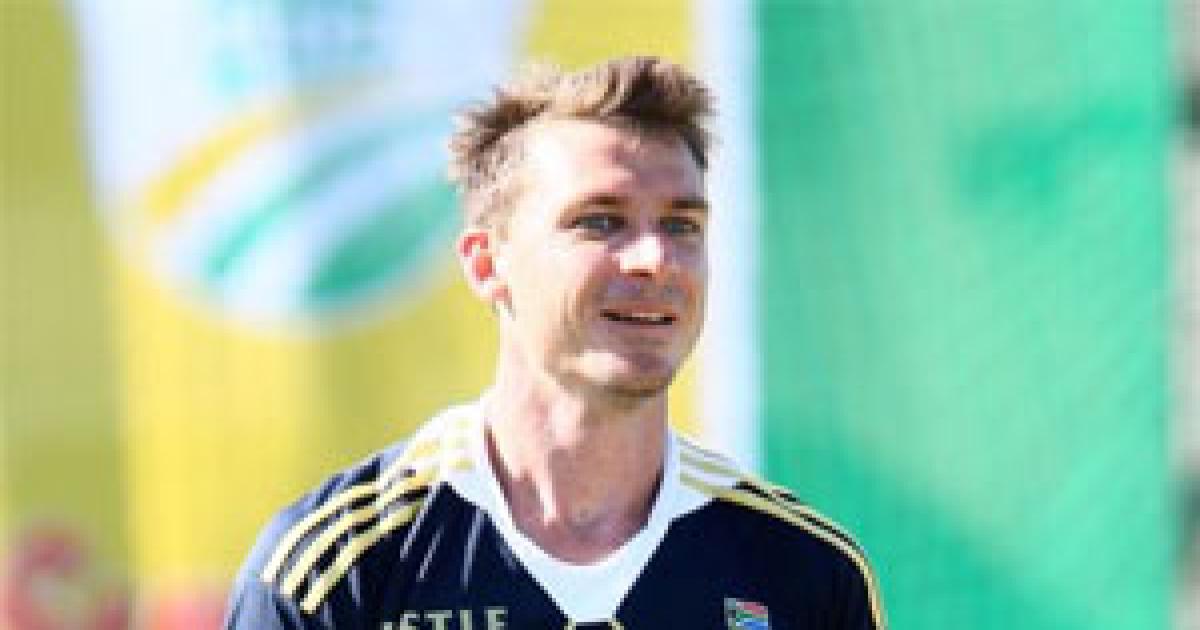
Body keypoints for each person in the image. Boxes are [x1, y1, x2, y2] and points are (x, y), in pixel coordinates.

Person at [224, 56, 885, 629]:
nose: (654, 259)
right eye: (601, 221)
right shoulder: (335, 572)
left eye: (682, 225)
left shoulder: (806, 573)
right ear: (487, 263)